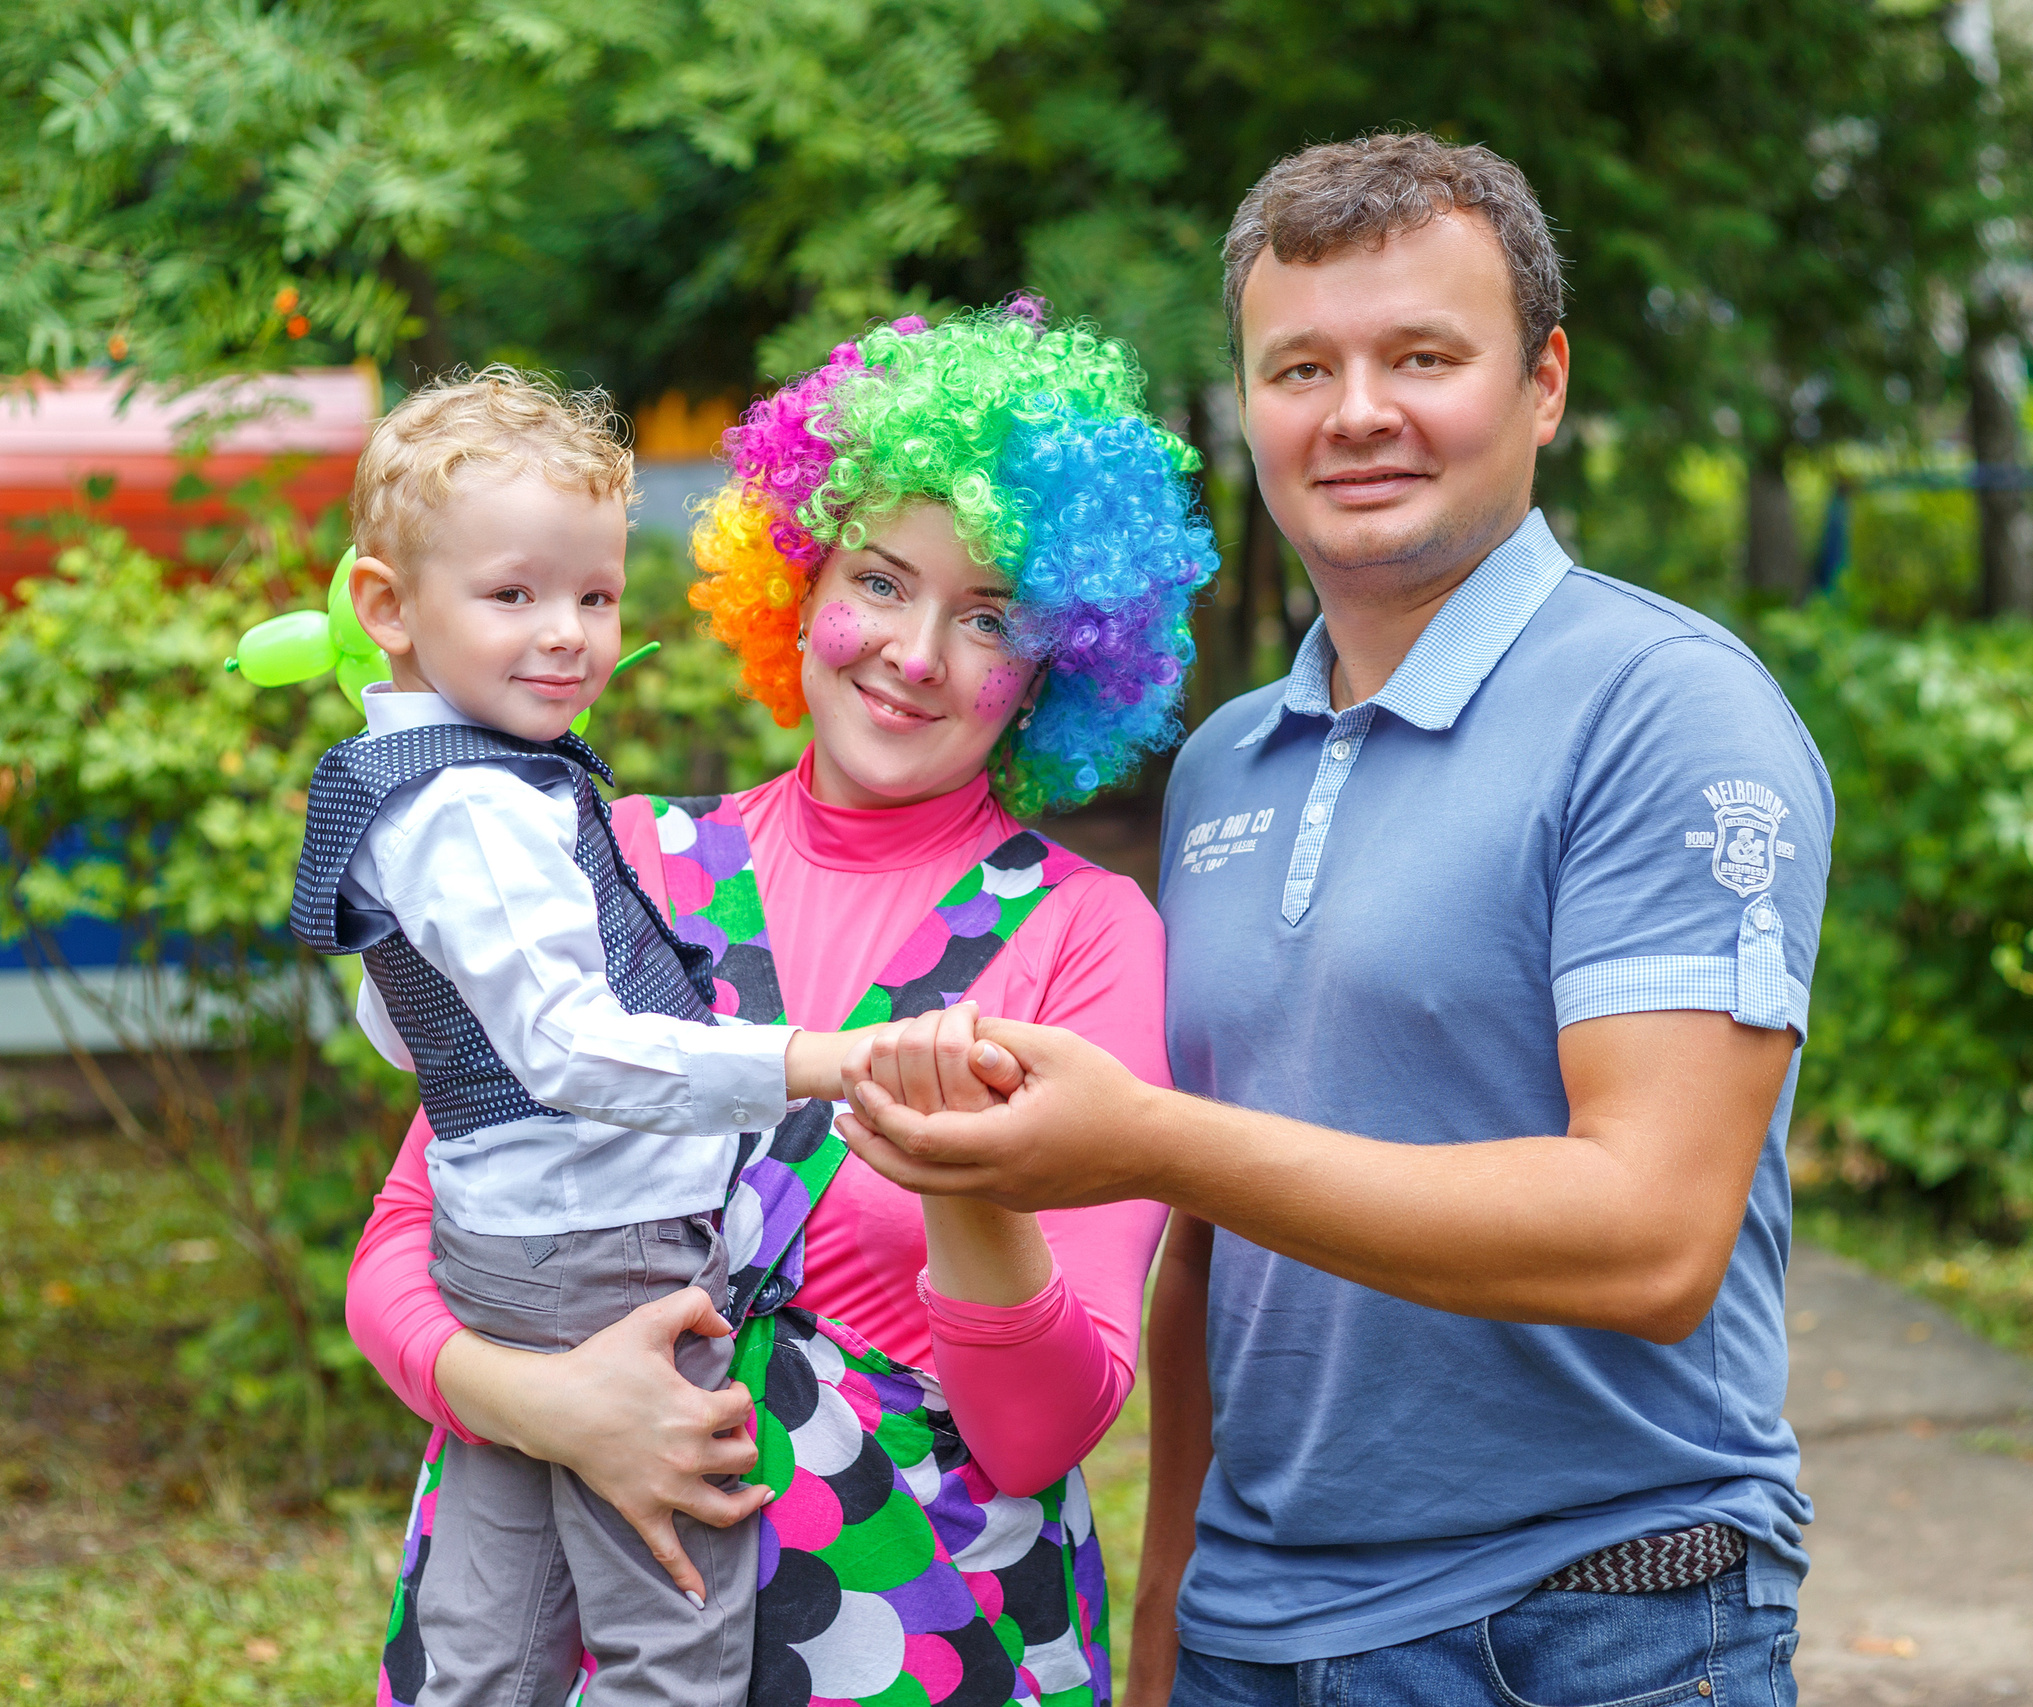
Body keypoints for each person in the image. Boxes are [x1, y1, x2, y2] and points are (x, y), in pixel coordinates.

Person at [838, 134, 1833, 1707]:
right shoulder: (1230, 760)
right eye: (1301, 368)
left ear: (1544, 384)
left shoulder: (1665, 710)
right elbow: (1212, 1250)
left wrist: (1149, 1141)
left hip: (1588, 1622)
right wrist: (1167, 1608)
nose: (1357, 411)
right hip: (1253, 1633)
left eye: (1422, 357)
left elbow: (1652, 1240)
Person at [344, 302, 1215, 1706]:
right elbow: (408, 1239)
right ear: (798, 586)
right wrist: (549, 1406)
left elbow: (1043, 1431)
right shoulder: (612, 858)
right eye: (880, 580)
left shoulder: (1086, 935)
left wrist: (965, 1180)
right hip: (580, 1624)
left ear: (1057, 670)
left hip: (921, 1632)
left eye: (989, 617)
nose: (916, 654)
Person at [295, 369, 884, 1707]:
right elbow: (569, 1050)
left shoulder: (409, 784)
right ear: (386, 607)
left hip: (496, 1249)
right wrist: (807, 1061)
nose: (566, 634)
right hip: (607, 1256)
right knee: (669, 1632)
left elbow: (404, 1023)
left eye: (597, 597)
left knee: (493, 1632)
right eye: (514, 595)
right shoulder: (484, 806)